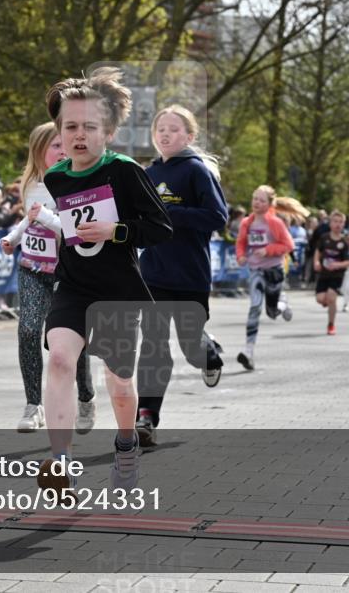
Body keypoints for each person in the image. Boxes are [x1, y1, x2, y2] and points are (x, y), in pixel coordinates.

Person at [39, 67, 172, 493]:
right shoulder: (56, 177)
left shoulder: (125, 171)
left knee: (119, 384)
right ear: (60, 132)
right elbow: (69, 228)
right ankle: (61, 462)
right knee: (60, 360)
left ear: (108, 132)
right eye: (70, 127)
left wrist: (115, 231)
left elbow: (160, 228)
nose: (79, 135)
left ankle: (126, 444)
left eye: (89, 127)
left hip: (118, 291)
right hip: (73, 285)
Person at [133, 105, 228, 446]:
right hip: (153, 274)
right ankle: (146, 417)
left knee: (190, 347)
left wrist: (172, 213)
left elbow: (217, 217)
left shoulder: (196, 171)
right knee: (153, 346)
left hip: (190, 275)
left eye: (173, 129)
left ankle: (208, 353)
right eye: (160, 129)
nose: (165, 134)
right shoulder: (146, 173)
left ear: (189, 136)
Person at [0, 122, 96, 434]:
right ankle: (33, 405)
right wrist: (12, 239)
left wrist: (46, 217)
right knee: (28, 331)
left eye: (64, 145)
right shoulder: (30, 185)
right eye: (55, 146)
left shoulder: (78, 183)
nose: (62, 151)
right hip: (32, 268)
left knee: (69, 343)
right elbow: (28, 221)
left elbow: (75, 232)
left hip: (67, 273)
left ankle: (85, 397)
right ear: (39, 151)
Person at [235, 185, 295, 369]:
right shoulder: (246, 223)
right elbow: (241, 242)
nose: (257, 203)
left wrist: (268, 250)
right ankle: (248, 352)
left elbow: (288, 245)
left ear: (269, 204)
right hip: (256, 271)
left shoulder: (275, 223)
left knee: (272, 312)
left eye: (262, 200)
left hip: (274, 271)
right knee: (254, 307)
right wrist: (241, 256)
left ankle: (282, 303)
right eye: (255, 198)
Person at [313, 210, 349, 335]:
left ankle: (331, 324)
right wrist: (316, 262)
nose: (338, 224)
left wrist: (337, 265)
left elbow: (347, 261)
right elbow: (318, 251)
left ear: (344, 225)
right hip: (324, 274)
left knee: (331, 297)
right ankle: (327, 302)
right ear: (330, 223)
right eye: (335, 221)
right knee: (320, 299)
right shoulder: (324, 238)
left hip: (337, 275)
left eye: (341, 222)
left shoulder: (344, 242)